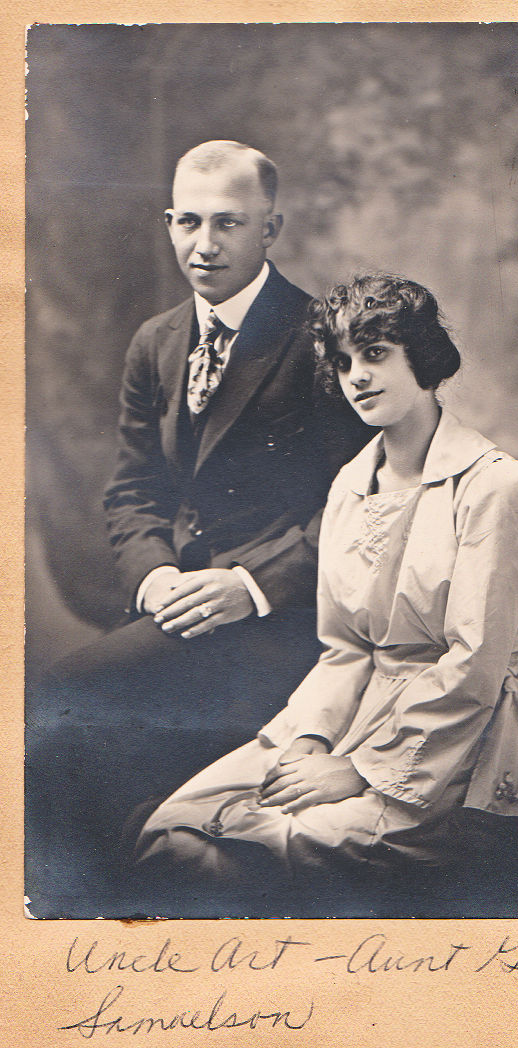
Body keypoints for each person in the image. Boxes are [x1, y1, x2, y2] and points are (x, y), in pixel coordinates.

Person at [134, 274, 518, 900]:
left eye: (375, 353)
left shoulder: (495, 487)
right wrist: (311, 740)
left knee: (226, 857)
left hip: (460, 748)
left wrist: (359, 769)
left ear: (423, 357)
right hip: (353, 717)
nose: (356, 376)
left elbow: (476, 665)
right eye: (342, 361)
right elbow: (346, 650)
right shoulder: (350, 487)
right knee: (170, 831)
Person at [26, 141, 367, 876]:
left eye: (228, 223)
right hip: (181, 607)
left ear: (270, 229)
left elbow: (364, 506)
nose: (204, 245)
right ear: (168, 223)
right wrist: (155, 579)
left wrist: (250, 587)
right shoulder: (156, 342)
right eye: (188, 222)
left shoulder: (320, 339)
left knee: (69, 699)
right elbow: (133, 490)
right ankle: (111, 903)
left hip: (288, 620)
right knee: (59, 711)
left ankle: (139, 885)